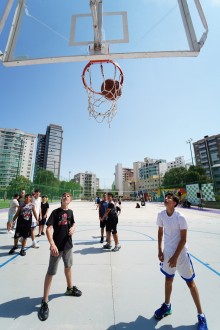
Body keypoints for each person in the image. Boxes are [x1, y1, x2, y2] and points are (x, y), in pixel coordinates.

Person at [154, 193, 208, 330]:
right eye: (165, 197)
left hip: (181, 255)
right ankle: (167, 306)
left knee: (190, 283)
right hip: (167, 253)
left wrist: (175, 257)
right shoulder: (161, 215)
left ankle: (201, 315)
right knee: (168, 279)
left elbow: (183, 239)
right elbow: (160, 232)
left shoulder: (180, 217)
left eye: (169, 198)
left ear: (174, 203)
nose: (166, 199)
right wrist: (160, 250)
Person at [38, 192, 82, 322]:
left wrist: (73, 228)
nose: (65, 197)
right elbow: (48, 229)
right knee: (51, 272)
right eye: (64, 196)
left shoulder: (71, 212)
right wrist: (52, 244)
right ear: (61, 199)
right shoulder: (55, 212)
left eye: (68, 196)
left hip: (68, 246)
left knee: (68, 267)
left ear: (71, 200)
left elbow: (73, 223)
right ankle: (44, 301)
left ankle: (69, 288)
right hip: (56, 248)